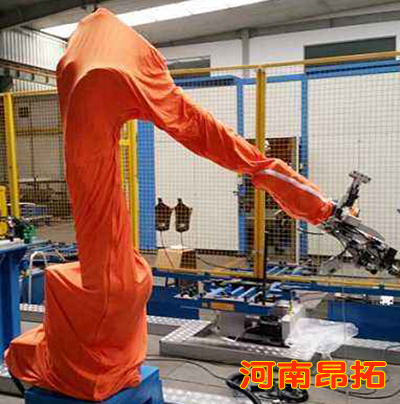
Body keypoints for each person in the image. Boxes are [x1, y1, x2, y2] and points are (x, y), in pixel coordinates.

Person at [5, 8, 333, 401]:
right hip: (103, 256)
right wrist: (309, 200)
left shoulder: (83, 67)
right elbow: (202, 130)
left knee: (110, 267)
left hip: (96, 227)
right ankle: (96, 364)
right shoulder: (116, 71)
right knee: (113, 276)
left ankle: (88, 361)